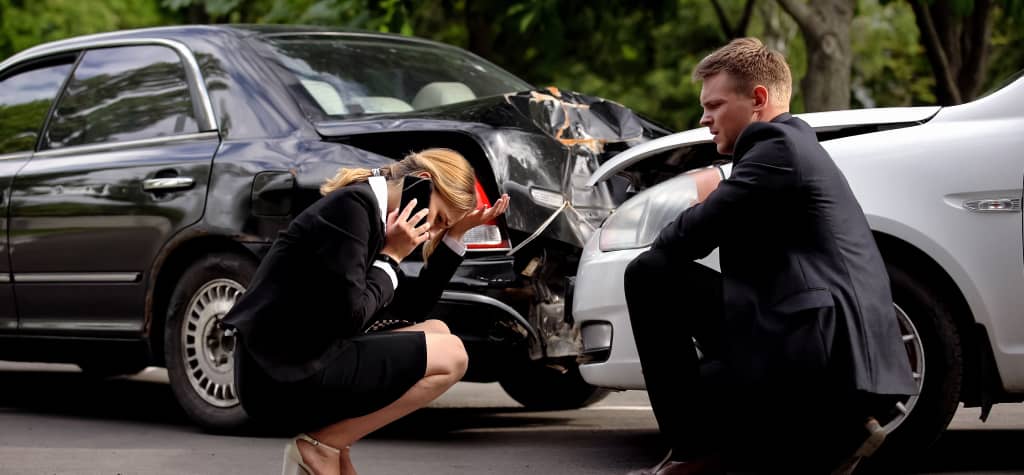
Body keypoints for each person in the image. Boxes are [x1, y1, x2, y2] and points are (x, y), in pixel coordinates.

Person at [623, 38, 917, 474]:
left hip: (820, 349)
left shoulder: (776, 149)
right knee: (711, 378)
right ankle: (819, 434)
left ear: (758, 99)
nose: (704, 119)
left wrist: (707, 203)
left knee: (649, 273)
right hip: (822, 340)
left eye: (715, 105)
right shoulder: (795, 148)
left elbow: (683, 240)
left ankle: (694, 451)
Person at [223, 148, 509, 475]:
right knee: (453, 355)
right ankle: (322, 446)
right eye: (440, 219)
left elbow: (407, 311)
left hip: (306, 359)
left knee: (437, 331)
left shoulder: (369, 215)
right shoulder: (350, 210)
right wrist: (391, 257)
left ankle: (332, 446)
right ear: (424, 182)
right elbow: (352, 316)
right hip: (278, 375)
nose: (430, 232)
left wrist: (455, 237)